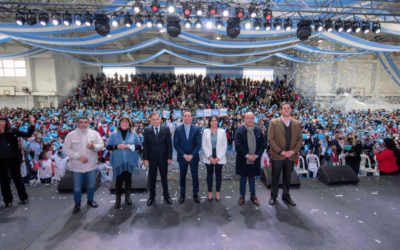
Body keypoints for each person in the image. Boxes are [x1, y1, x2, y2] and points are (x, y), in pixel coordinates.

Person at [63, 116, 104, 213]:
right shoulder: (71, 135)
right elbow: (65, 149)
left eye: (85, 122)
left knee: (91, 186)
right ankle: (77, 203)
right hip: (77, 166)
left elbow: (101, 145)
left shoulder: (94, 133)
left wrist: (93, 146)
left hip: (91, 165)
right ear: (77, 123)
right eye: (81, 122)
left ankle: (90, 200)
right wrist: (79, 156)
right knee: (77, 188)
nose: (83, 124)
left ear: (88, 123)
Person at [267, 102, 302, 207]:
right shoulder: (273, 122)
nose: (286, 110)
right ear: (281, 110)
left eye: (288, 108)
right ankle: (273, 196)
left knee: (288, 177)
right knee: (275, 177)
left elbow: (300, 139)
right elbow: (270, 139)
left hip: (291, 156)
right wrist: (280, 151)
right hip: (278, 155)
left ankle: (286, 195)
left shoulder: (297, 123)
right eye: (284, 108)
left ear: (291, 110)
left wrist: (294, 151)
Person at [105, 116, 142, 209]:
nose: (125, 124)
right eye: (123, 122)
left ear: (129, 124)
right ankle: (118, 200)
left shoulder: (134, 134)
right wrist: (117, 146)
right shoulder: (114, 134)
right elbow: (107, 146)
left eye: (127, 122)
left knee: (128, 179)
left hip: (129, 161)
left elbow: (139, 146)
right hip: (118, 161)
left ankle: (127, 197)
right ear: (119, 123)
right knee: (119, 180)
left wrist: (130, 146)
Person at [0, 114, 36, 207]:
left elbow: (27, 134)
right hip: (1, 160)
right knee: (4, 181)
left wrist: (32, 124)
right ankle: (7, 200)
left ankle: (23, 197)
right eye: (0, 121)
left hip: (13, 158)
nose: (1, 123)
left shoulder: (12, 131)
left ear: (6, 122)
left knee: (17, 178)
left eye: (3, 121)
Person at [235, 112, 266, 206]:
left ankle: (253, 196)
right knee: (243, 178)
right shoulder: (239, 130)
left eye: (252, 118)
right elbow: (238, 145)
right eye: (248, 118)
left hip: (255, 159)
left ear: (254, 119)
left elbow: (263, 144)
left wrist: (256, 155)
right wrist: (247, 155)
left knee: (252, 178)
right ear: (244, 119)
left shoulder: (258, 130)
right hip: (243, 159)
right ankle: (242, 196)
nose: (250, 120)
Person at [143, 112, 173, 206]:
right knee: (152, 178)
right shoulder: (147, 130)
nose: (155, 121)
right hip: (151, 159)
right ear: (151, 120)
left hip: (163, 158)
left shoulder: (166, 129)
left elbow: (169, 145)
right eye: (153, 119)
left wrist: (169, 157)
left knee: (164, 178)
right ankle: (152, 196)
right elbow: (145, 146)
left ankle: (166, 195)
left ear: (160, 119)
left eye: (157, 119)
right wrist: (145, 159)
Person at [174, 110, 202, 204]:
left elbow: (198, 144)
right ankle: (182, 194)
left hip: (194, 157)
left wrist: (191, 155)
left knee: (195, 177)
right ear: (183, 117)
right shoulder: (178, 129)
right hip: (182, 158)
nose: (187, 117)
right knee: (182, 177)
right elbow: (176, 144)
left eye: (189, 116)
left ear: (191, 117)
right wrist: (184, 155)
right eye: (185, 116)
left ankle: (195, 194)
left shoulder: (197, 128)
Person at [201, 116, 228, 202]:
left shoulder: (223, 132)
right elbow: (203, 145)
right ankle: (209, 192)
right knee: (209, 174)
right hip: (208, 156)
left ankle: (217, 192)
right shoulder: (205, 132)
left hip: (219, 156)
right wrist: (209, 157)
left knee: (218, 175)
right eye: (212, 121)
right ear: (209, 122)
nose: (213, 122)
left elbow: (224, 145)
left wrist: (218, 158)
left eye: (215, 121)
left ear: (217, 122)